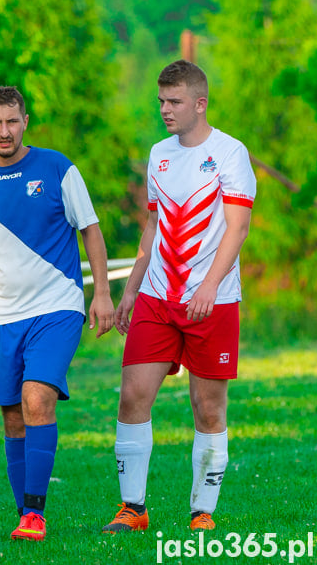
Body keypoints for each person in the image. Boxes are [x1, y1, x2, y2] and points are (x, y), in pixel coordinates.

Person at [0, 86, 114, 541]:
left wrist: (101, 293)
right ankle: (25, 511)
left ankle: (36, 514)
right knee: (12, 415)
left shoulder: (57, 168)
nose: (5, 131)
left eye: (12, 121)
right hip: (1, 317)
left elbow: (92, 231)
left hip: (57, 306)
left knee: (36, 397)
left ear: (26, 121)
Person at [103, 60, 256, 533]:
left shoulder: (230, 152)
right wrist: (129, 289)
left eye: (174, 102)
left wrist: (210, 285)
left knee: (207, 407)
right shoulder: (158, 154)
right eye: (161, 102)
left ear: (199, 103)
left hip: (212, 301)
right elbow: (153, 225)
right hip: (156, 298)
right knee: (132, 396)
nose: (165, 110)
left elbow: (238, 226)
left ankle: (201, 511)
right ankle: (133, 509)